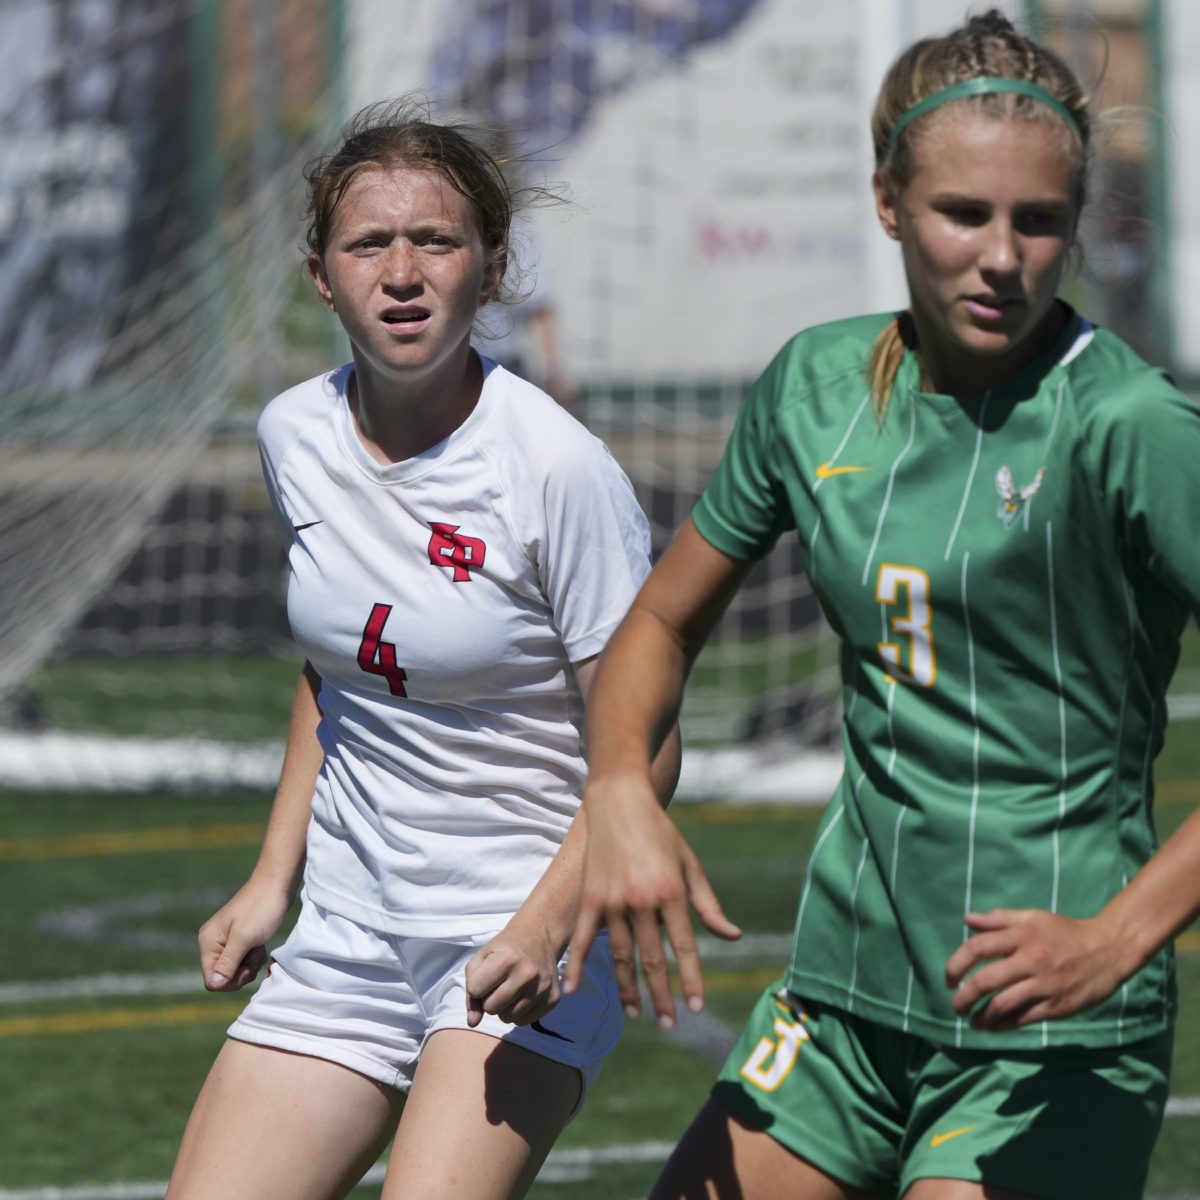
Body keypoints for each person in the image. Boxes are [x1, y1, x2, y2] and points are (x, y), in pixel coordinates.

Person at [565, 10, 1200, 1200]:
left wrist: (1116, 938)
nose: (1002, 256)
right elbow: (657, 625)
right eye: (964, 213)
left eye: (1040, 221)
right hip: (843, 998)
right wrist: (616, 788)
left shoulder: (1132, 425)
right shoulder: (814, 386)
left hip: (1051, 1023)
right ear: (887, 204)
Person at [165, 98, 678, 1200]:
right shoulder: (292, 433)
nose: (402, 271)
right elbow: (341, 669)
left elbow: (645, 747)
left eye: (435, 241)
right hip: (347, 931)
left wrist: (547, 927)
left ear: (488, 271)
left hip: (517, 936)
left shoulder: (556, 469)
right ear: (321, 274)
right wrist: (272, 880)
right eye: (369, 244)